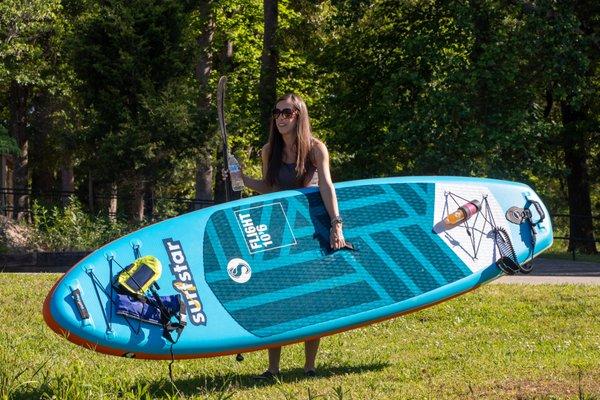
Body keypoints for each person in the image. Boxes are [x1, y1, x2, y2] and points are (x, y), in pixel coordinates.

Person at [224, 93, 346, 378]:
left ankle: (310, 366)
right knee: (275, 293)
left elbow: (327, 186)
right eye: (276, 112)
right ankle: (273, 367)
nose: (280, 117)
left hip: (310, 224)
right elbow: (270, 188)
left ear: (299, 115)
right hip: (279, 225)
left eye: (287, 112)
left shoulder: (316, 149)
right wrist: (241, 178)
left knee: (311, 295)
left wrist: (335, 224)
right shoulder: (270, 150)